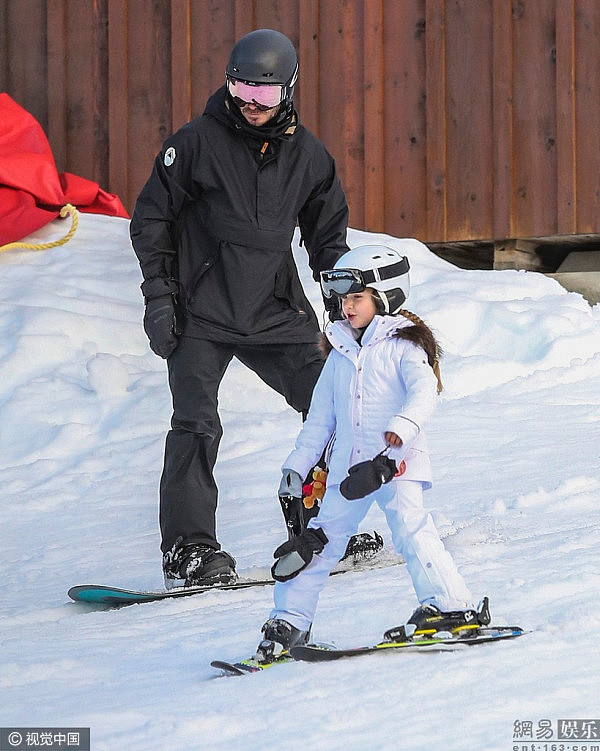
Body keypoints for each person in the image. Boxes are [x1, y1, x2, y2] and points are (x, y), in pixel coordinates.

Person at [129, 29, 352, 589]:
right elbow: (151, 221)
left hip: (276, 310)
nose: (251, 105)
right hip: (200, 312)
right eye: (241, 89)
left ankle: (321, 519)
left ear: (289, 90)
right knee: (196, 426)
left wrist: (345, 302)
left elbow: (328, 238)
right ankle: (190, 550)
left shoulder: (309, 155)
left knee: (334, 407)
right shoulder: (196, 143)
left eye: (265, 95)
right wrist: (160, 297)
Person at [254, 244, 490, 661]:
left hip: (394, 466)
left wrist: (390, 449)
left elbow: (422, 396)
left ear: (385, 297)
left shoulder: (404, 346)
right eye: (343, 299)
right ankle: (288, 621)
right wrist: (297, 465)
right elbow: (320, 420)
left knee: (411, 529)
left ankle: (453, 608)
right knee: (316, 541)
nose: (347, 308)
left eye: (356, 298)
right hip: (348, 472)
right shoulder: (340, 353)